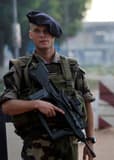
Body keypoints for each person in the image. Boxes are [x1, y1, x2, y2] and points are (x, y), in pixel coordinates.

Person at [0, 11, 96, 160]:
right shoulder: (20, 68)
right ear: (30, 35)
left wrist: (90, 140)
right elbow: (7, 106)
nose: (42, 35)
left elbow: (87, 102)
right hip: (36, 150)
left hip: (68, 149)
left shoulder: (71, 67)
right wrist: (36, 104)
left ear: (54, 35)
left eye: (46, 31)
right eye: (37, 31)